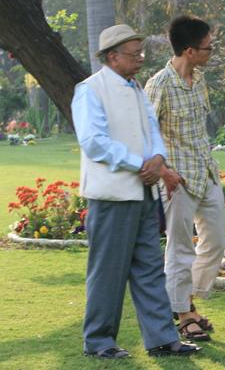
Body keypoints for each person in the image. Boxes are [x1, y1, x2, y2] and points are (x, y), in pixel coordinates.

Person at [72, 24, 200, 358]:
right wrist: (140, 164)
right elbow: (93, 142)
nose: (141, 59)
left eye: (141, 52)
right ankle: (99, 341)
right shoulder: (90, 89)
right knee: (108, 273)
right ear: (112, 57)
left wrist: (157, 159)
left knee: (149, 268)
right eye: (134, 54)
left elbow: (152, 130)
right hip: (112, 195)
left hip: (145, 192)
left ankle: (161, 339)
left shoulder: (136, 88)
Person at [144, 16, 225, 343]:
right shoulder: (160, 85)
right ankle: (184, 314)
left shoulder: (200, 80)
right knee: (179, 250)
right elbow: (146, 136)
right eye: (208, 47)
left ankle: (182, 299)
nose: (211, 51)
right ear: (189, 50)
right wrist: (164, 173)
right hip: (175, 180)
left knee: (216, 241)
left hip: (206, 174)